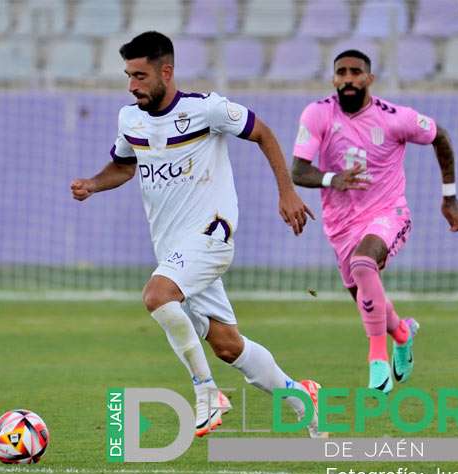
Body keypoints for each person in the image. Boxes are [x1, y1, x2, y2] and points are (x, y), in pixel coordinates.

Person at [71, 31, 325, 438]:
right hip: (174, 251)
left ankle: (207, 393)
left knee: (156, 296)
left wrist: (287, 191)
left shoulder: (207, 110)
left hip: (211, 236)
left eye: (139, 76)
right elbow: (123, 165)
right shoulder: (130, 119)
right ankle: (304, 399)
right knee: (227, 346)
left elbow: (264, 133)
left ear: (165, 72)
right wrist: (92, 184)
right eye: (128, 76)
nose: (132, 85)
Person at [291, 49, 458, 393]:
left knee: (363, 262)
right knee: (364, 293)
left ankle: (377, 358)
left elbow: (440, 135)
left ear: (369, 78)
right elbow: (298, 170)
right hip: (340, 225)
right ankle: (402, 333)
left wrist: (450, 196)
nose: (348, 78)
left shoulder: (394, 118)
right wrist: (332, 179)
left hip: (389, 214)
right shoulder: (318, 114)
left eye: (356, 72)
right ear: (333, 79)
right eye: (341, 72)